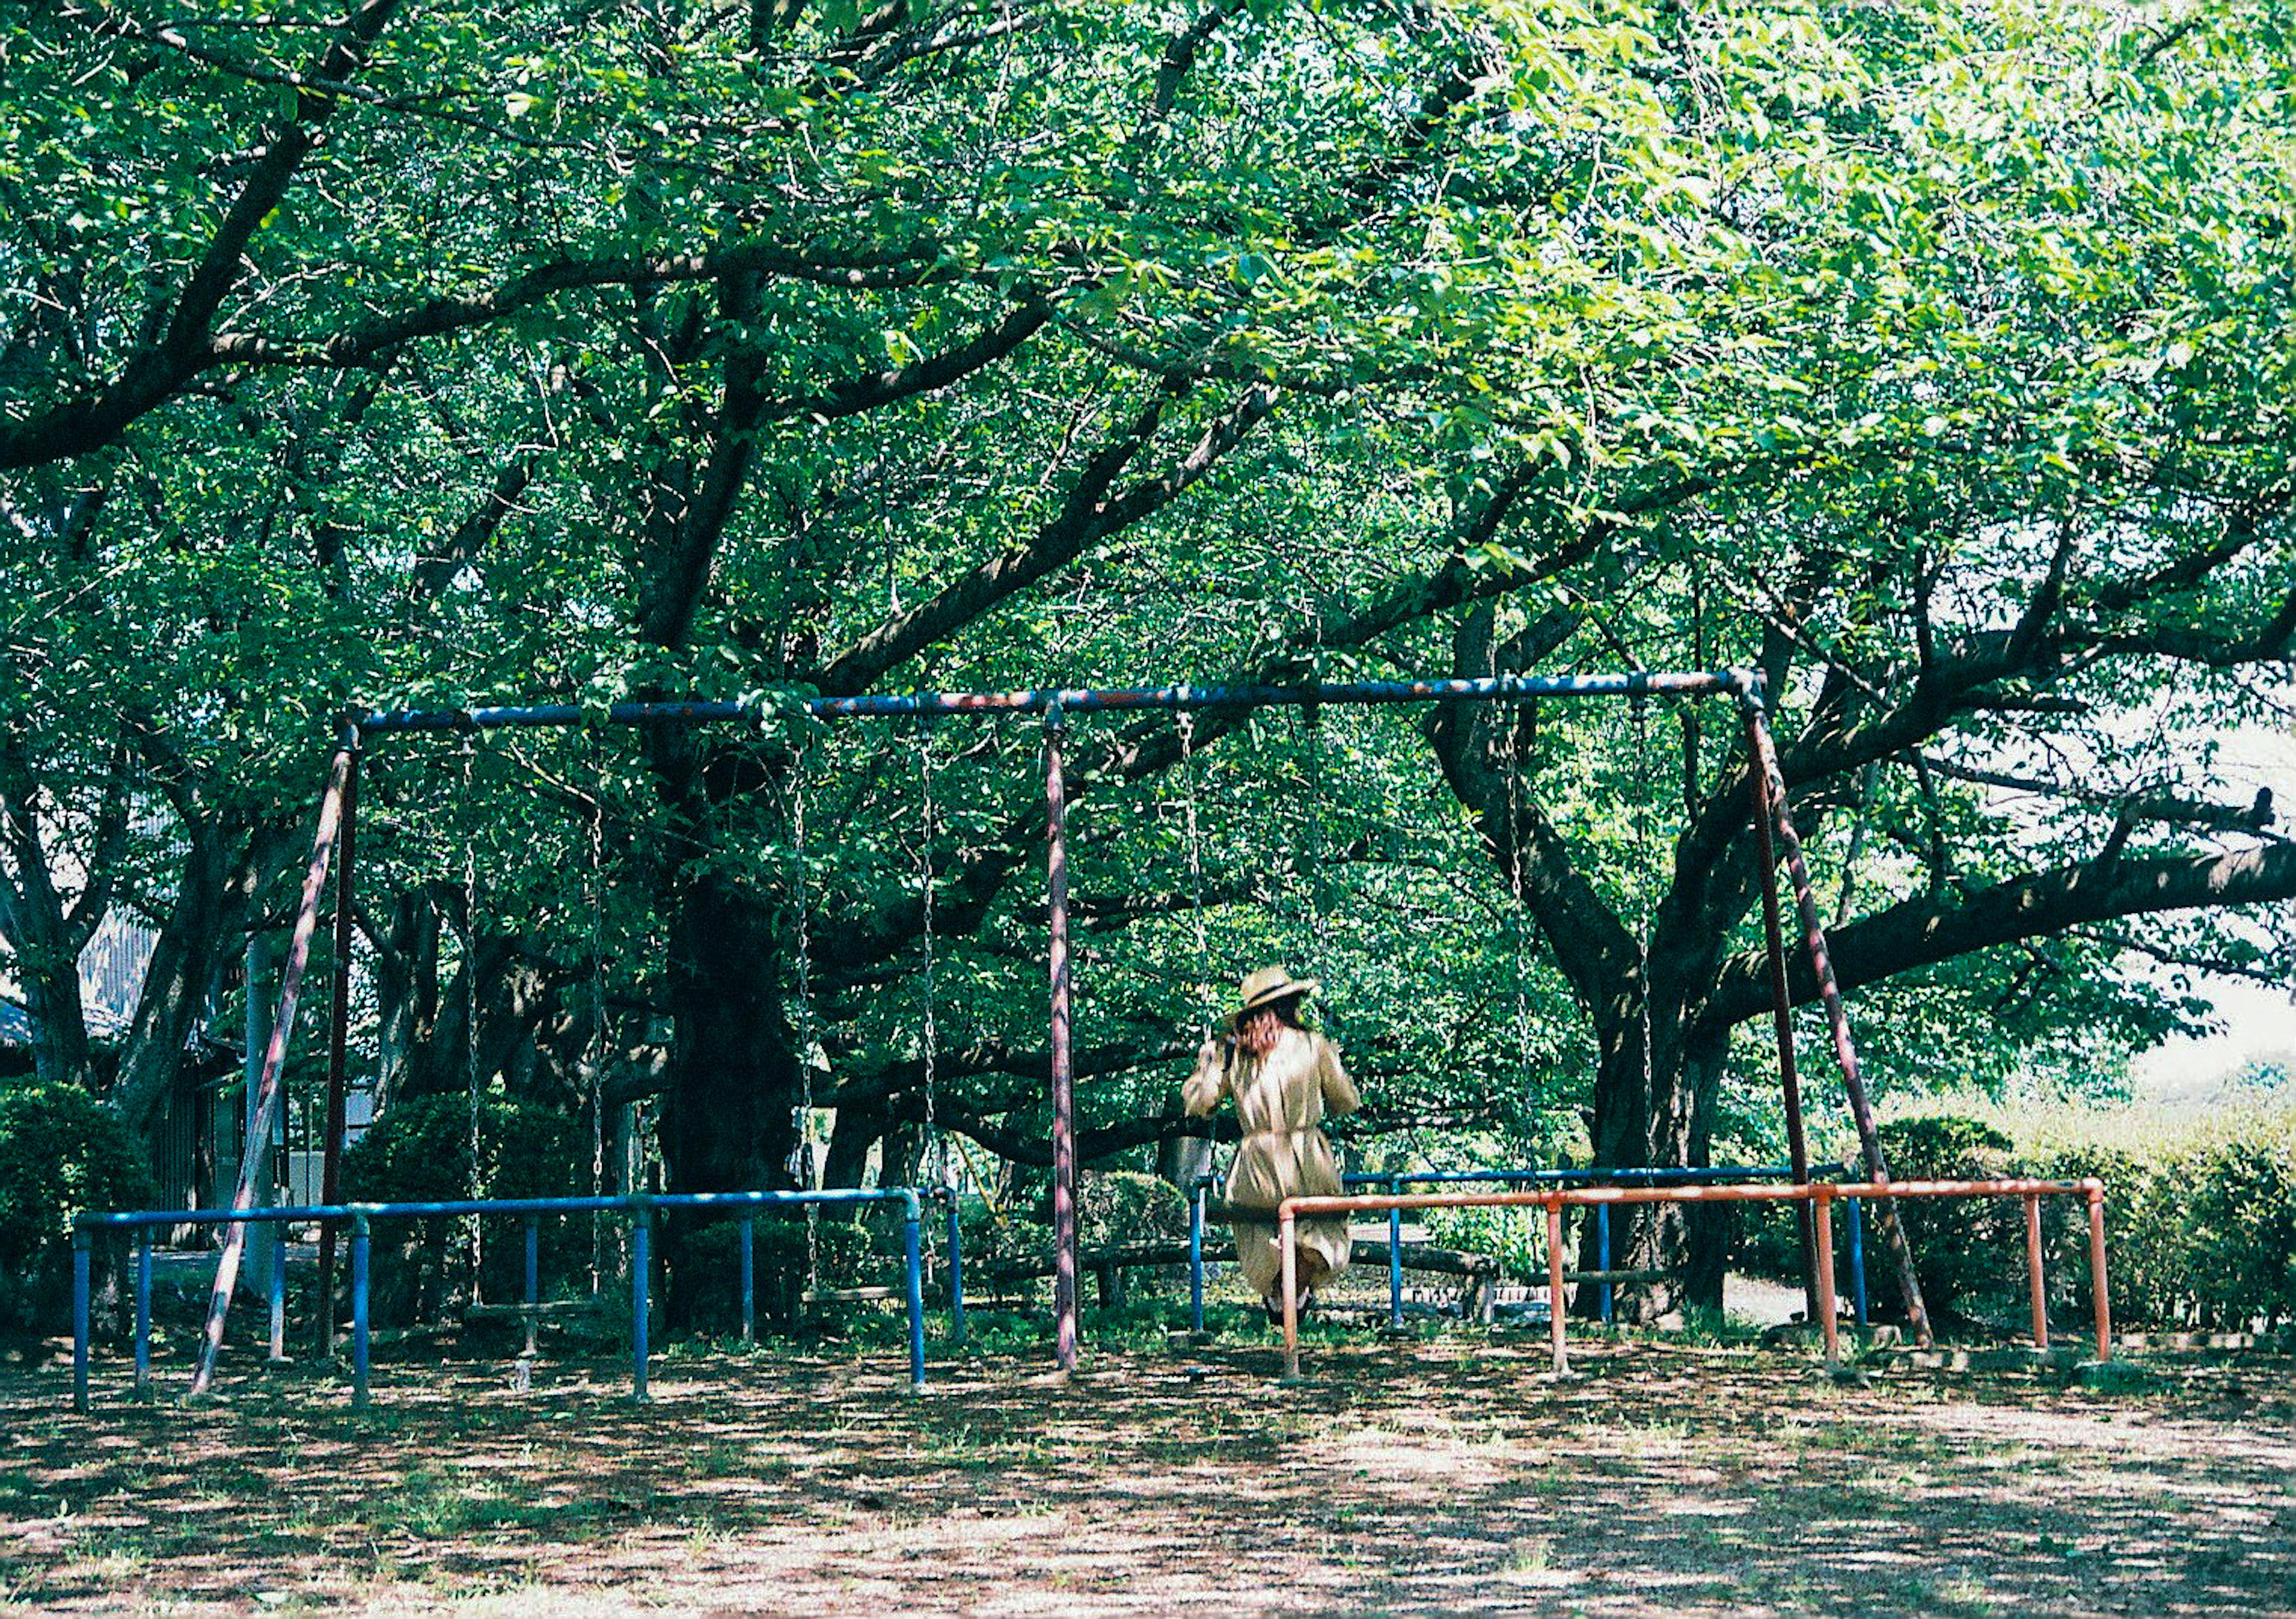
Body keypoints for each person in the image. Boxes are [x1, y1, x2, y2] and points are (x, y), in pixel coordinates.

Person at [1183, 966, 1360, 1321]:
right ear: (1292, 1004)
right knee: (1322, 1227)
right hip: (1307, 1159)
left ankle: (1280, 1289)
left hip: (1255, 1167)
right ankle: (1297, 1289)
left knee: (1259, 1229)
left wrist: (1211, 1064)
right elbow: (1347, 1101)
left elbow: (1201, 1106)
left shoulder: (1235, 1054)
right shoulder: (1313, 1044)